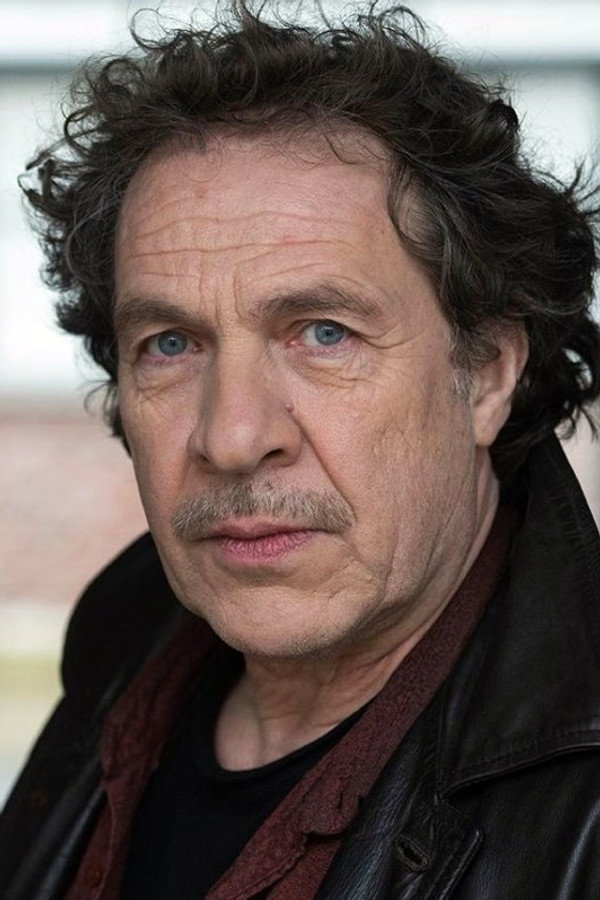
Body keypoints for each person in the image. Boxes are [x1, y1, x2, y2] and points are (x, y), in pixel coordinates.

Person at [1, 3, 600, 897]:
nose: (234, 437)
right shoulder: (114, 667)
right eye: (171, 344)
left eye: (324, 332)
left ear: (485, 373)